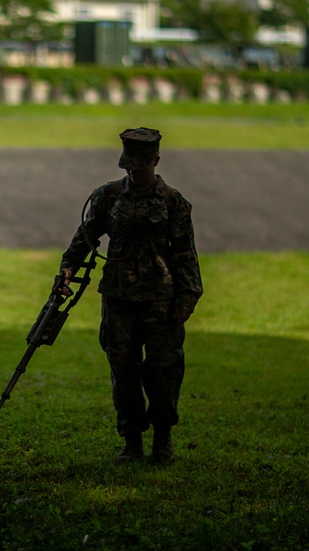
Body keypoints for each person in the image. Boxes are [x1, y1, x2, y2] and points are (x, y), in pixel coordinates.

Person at [58, 128, 203, 462]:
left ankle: (163, 438)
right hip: (119, 298)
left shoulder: (173, 202)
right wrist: (67, 269)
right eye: (129, 165)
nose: (133, 171)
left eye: (141, 164)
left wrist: (187, 298)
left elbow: (185, 254)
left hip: (160, 301)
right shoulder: (107, 197)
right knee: (123, 371)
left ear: (156, 160)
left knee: (163, 370)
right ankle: (132, 440)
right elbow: (85, 239)